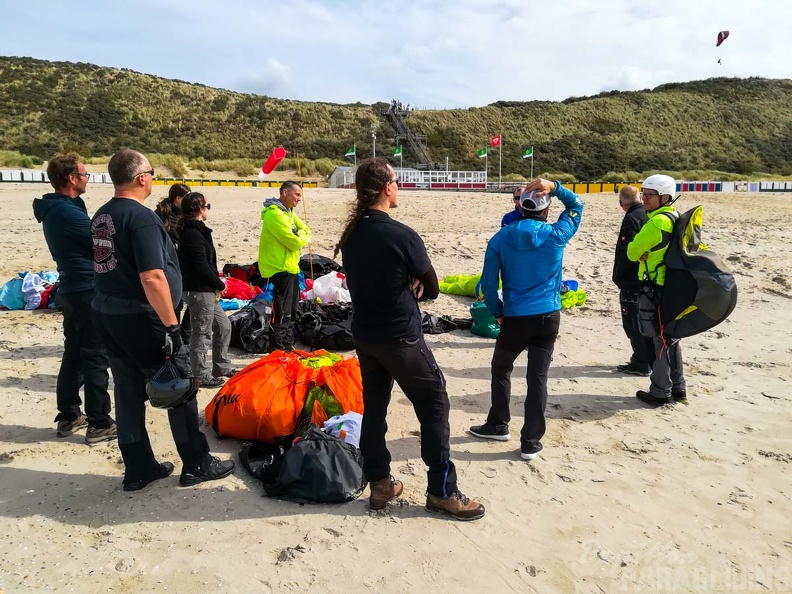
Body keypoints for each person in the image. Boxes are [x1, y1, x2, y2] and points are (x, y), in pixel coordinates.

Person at [335, 157, 485, 521]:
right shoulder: (400, 234)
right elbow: (431, 287)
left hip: (366, 335)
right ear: (387, 188)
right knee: (435, 402)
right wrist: (413, 284)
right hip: (399, 336)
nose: (398, 188)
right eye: (396, 183)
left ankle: (380, 482)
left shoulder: (351, 234)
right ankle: (442, 491)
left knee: (375, 409)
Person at [91, 150, 234, 491]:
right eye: (151, 173)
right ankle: (197, 463)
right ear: (141, 178)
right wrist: (171, 325)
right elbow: (152, 276)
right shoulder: (139, 217)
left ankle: (138, 468)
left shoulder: (101, 215)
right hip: (142, 315)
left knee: (127, 390)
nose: (153, 179)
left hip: (109, 313)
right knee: (180, 385)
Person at [469, 179, 584, 461]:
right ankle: (531, 441)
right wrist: (555, 186)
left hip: (516, 316)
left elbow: (487, 283)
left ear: (520, 207)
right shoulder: (557, 233)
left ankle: (498, 423)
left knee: (501, 368)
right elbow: (577, 204)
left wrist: (497, 312)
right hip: (548, 316)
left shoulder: (500, 238)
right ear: (545, 211)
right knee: (538, 378)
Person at [32, 153, 116, 443]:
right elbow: (103, 241)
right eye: (84, 173)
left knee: (76, 354)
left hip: (74, 288)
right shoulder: (64, 212)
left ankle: (69, 415)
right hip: (83, 290)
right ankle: (99, 423)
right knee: (94, 356)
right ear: (71, 178)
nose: (87, 177)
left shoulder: (66, 207)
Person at [627, 175, 687, 406]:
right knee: (672, 339)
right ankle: (678, 388)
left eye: (650, 195)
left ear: (665, 197)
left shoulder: (657, 222)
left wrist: (641, 252)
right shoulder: (674, 216)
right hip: (672, 287)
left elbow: (632, 252)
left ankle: (661, 391)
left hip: (655, 289)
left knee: (659, 340)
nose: (645, 199)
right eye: (644, 194)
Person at [176, 192, 236, 388]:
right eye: (206, 206)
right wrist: (219, 284)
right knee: (202, 333)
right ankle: (201, 374)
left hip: (206, 289)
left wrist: (216, 284)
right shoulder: (192, 233)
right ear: (200, 209)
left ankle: (221, 366)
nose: (207, 209)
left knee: (223, 326)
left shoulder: (198, 230)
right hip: (199, 290)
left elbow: (206, 264)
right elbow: (201, 266)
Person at [257, 181, 312, 351]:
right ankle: (277, 351)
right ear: (286, 193)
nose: (299, 199)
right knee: (282, 313)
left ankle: (288, 348)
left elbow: (305, 229)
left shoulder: (287, 212)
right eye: (297, 194)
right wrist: (302, 235)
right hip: (279, 269)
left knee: (292, 312)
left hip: (291, 267)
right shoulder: (275, 214)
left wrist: (302, 233)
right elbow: (293, 242)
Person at [612, 185, 654, 376]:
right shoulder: (648, 214)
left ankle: (641, 362)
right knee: (642, 320)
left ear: (622, 203)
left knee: (632, 322)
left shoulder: (632, 218)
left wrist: (619, 277)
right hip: (646, 277)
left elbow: (627, 252)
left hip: (632, 280)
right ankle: (645, 359)